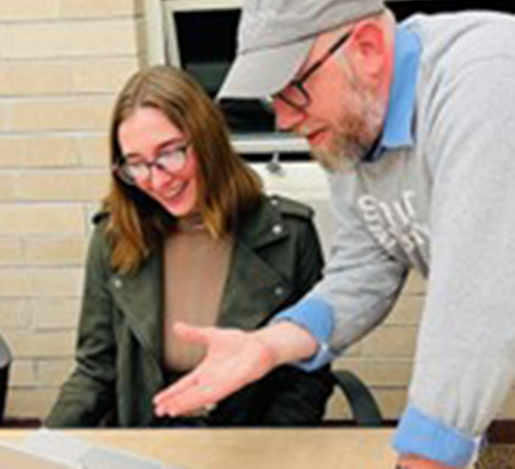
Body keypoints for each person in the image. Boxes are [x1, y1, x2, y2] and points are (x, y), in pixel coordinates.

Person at [152, 0, 515, 467]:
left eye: (293, 87)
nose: (283, 118)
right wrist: (268, 344)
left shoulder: (491, 84)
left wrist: (424, 456)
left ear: (365, 48)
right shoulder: (353, 129)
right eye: (272, 98)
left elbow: (477, 301)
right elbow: (364, 264)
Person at [46, 65, 334, 428]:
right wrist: (45, 444)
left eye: (169, 153)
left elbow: (305, 381)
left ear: (207, 139)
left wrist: (267, 450)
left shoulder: (288, 234)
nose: (155, 178)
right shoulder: (115, 236)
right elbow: (95, 370)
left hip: (247, 443)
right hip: (147, 439)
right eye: (136, 164)